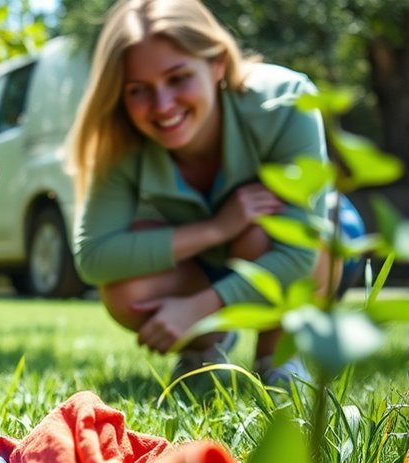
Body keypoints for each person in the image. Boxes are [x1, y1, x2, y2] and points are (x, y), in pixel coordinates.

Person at [66, 0, 355, 386]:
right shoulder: (121, 137)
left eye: (178, 77)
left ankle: (280, 359)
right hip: (209, 256)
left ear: (217, 62)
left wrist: (199, 307)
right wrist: (217, 229)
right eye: (138, 90)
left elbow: (300, 250)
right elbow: (95, 256)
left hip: (320, 251)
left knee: (262, 232)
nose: (163, 105)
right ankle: (206, 350)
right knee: (126, 289)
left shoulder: (285, 100)